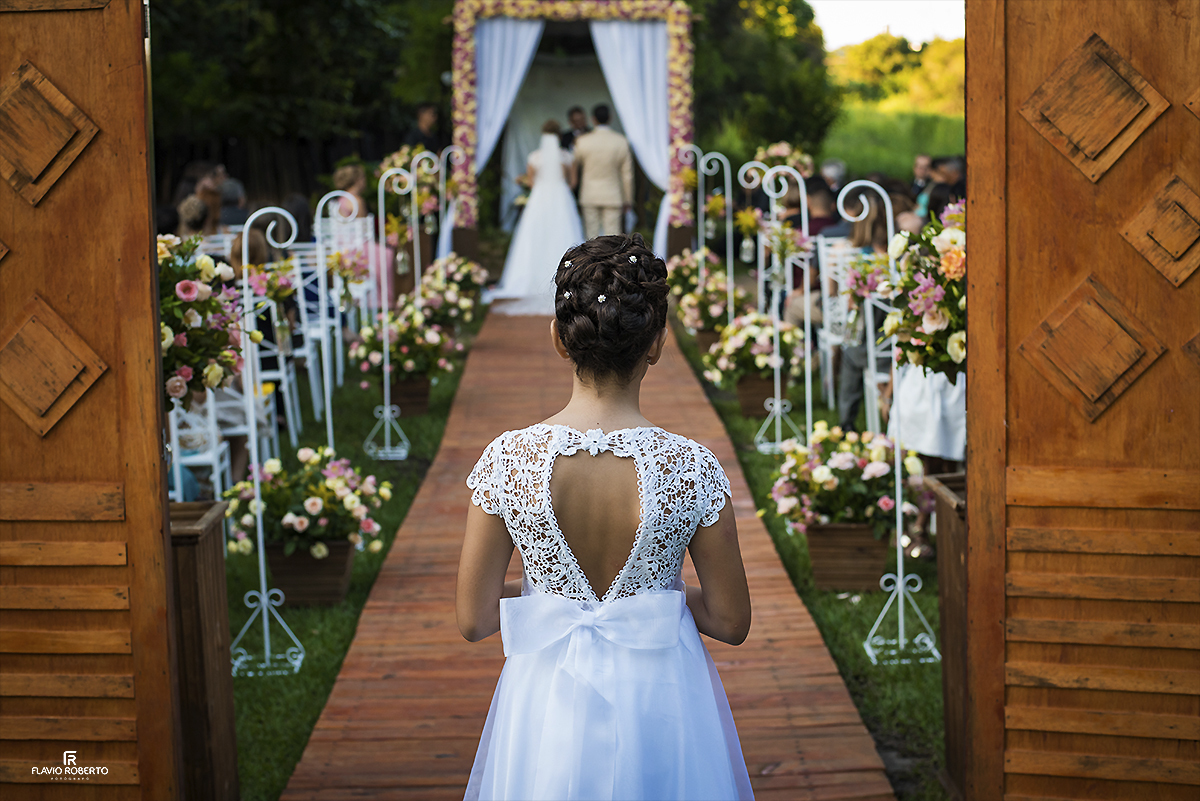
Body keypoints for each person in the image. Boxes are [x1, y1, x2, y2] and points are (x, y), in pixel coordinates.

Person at [458, 234, 754, 801]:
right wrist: (656, 595)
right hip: (663, 692)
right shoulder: (690, 466)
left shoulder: (508, 459)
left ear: (558, 341)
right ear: (658, 344)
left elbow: (474, 619)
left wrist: (548, 590)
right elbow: (730, 620)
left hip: (543, 698)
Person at [489, 121, 584, 315]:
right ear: (558, 136)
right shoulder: (567, 156)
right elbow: (573, 183)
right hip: (561, 199)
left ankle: (531, 276)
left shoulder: (534, 157)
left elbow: (532, 182)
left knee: (535, 236)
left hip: (539, 199)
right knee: (562, 234)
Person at [574, 104, 634, 239]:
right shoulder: (621, 141)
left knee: (590, 237)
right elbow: (627, 174)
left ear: (593, 119)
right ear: (610, 118)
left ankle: (591, 260)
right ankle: (612, 260)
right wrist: (628, 199)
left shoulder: (582, 141)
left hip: (589, 194)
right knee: (613, 237)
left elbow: (575, 166)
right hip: (613, 194)